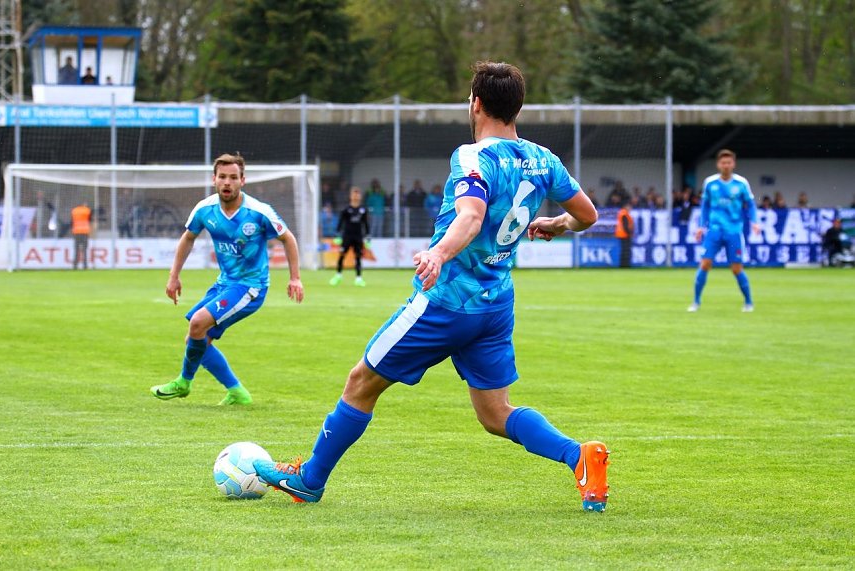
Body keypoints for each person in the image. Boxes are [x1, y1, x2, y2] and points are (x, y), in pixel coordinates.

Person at [254, 61, 610, 512]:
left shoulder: (472, 157)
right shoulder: (544, 159)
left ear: (476, 104)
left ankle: (309, 481)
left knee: (361, 382)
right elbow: (588, 216)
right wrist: (556, 223)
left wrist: (439, 254)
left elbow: (471, 215)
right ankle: (579, 457)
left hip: (445, 303)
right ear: (517, 107)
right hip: (495, 305)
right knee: (496, 414)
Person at [150, 153, 304, 405]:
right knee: (196, 339)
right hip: (225, 283)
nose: (227, 182)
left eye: (233, 177)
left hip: (250, 286)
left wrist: (295, 278)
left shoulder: (258, 212)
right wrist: (173, 276)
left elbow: (288, 238)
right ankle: (237, 392)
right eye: (222, 177)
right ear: (214, 179)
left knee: (198, 323)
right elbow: (188, 237)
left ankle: (184, 382)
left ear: (243, 180)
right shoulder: (205, 209)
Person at [689, 149, 760, 313]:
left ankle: (748, 302)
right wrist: (701, 226)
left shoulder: (741, 183)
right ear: (718, 164)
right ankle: (696, 302)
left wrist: (754, 222)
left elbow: (750, 205)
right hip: (714, 231)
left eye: (729, 162)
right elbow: (705, 206)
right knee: (705, 264)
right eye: (723, 162)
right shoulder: (710, 183)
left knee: (736, 268)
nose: (726, 165)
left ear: (733, 164)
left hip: (734, 231)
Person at [329, 186, 370, 287]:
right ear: (351, 196)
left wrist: (368, 236)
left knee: (358, 257)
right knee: (342, 255)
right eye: (354, 194)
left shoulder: (363, 210)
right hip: (347, 236)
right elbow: (340, 222)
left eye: (358, 194)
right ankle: (338, 276)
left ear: (360, 196)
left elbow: (366, 224)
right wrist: (337, 235)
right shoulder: (346, 209)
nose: (356, 196)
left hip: (358, 237)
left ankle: (358, 278)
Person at [71, 201, 92, 270]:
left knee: (76, 249)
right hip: (85, 232)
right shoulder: (87, 210)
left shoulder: (74, 211)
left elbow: (72, 221)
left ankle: (75, 265)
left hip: (76, 232)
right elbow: (90, 220)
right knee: (84, 250)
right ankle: (85, 266)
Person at [615, 199, 633, 267]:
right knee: (626, 251)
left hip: (622, 234)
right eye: (629, 207)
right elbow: (625, 225)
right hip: (624, 235)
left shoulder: (622, 213)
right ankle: (625, 265)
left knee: (624, 250)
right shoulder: (624, 214)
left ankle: (623, 265)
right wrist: (629, 233)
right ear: (626, 206)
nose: (630, 208)